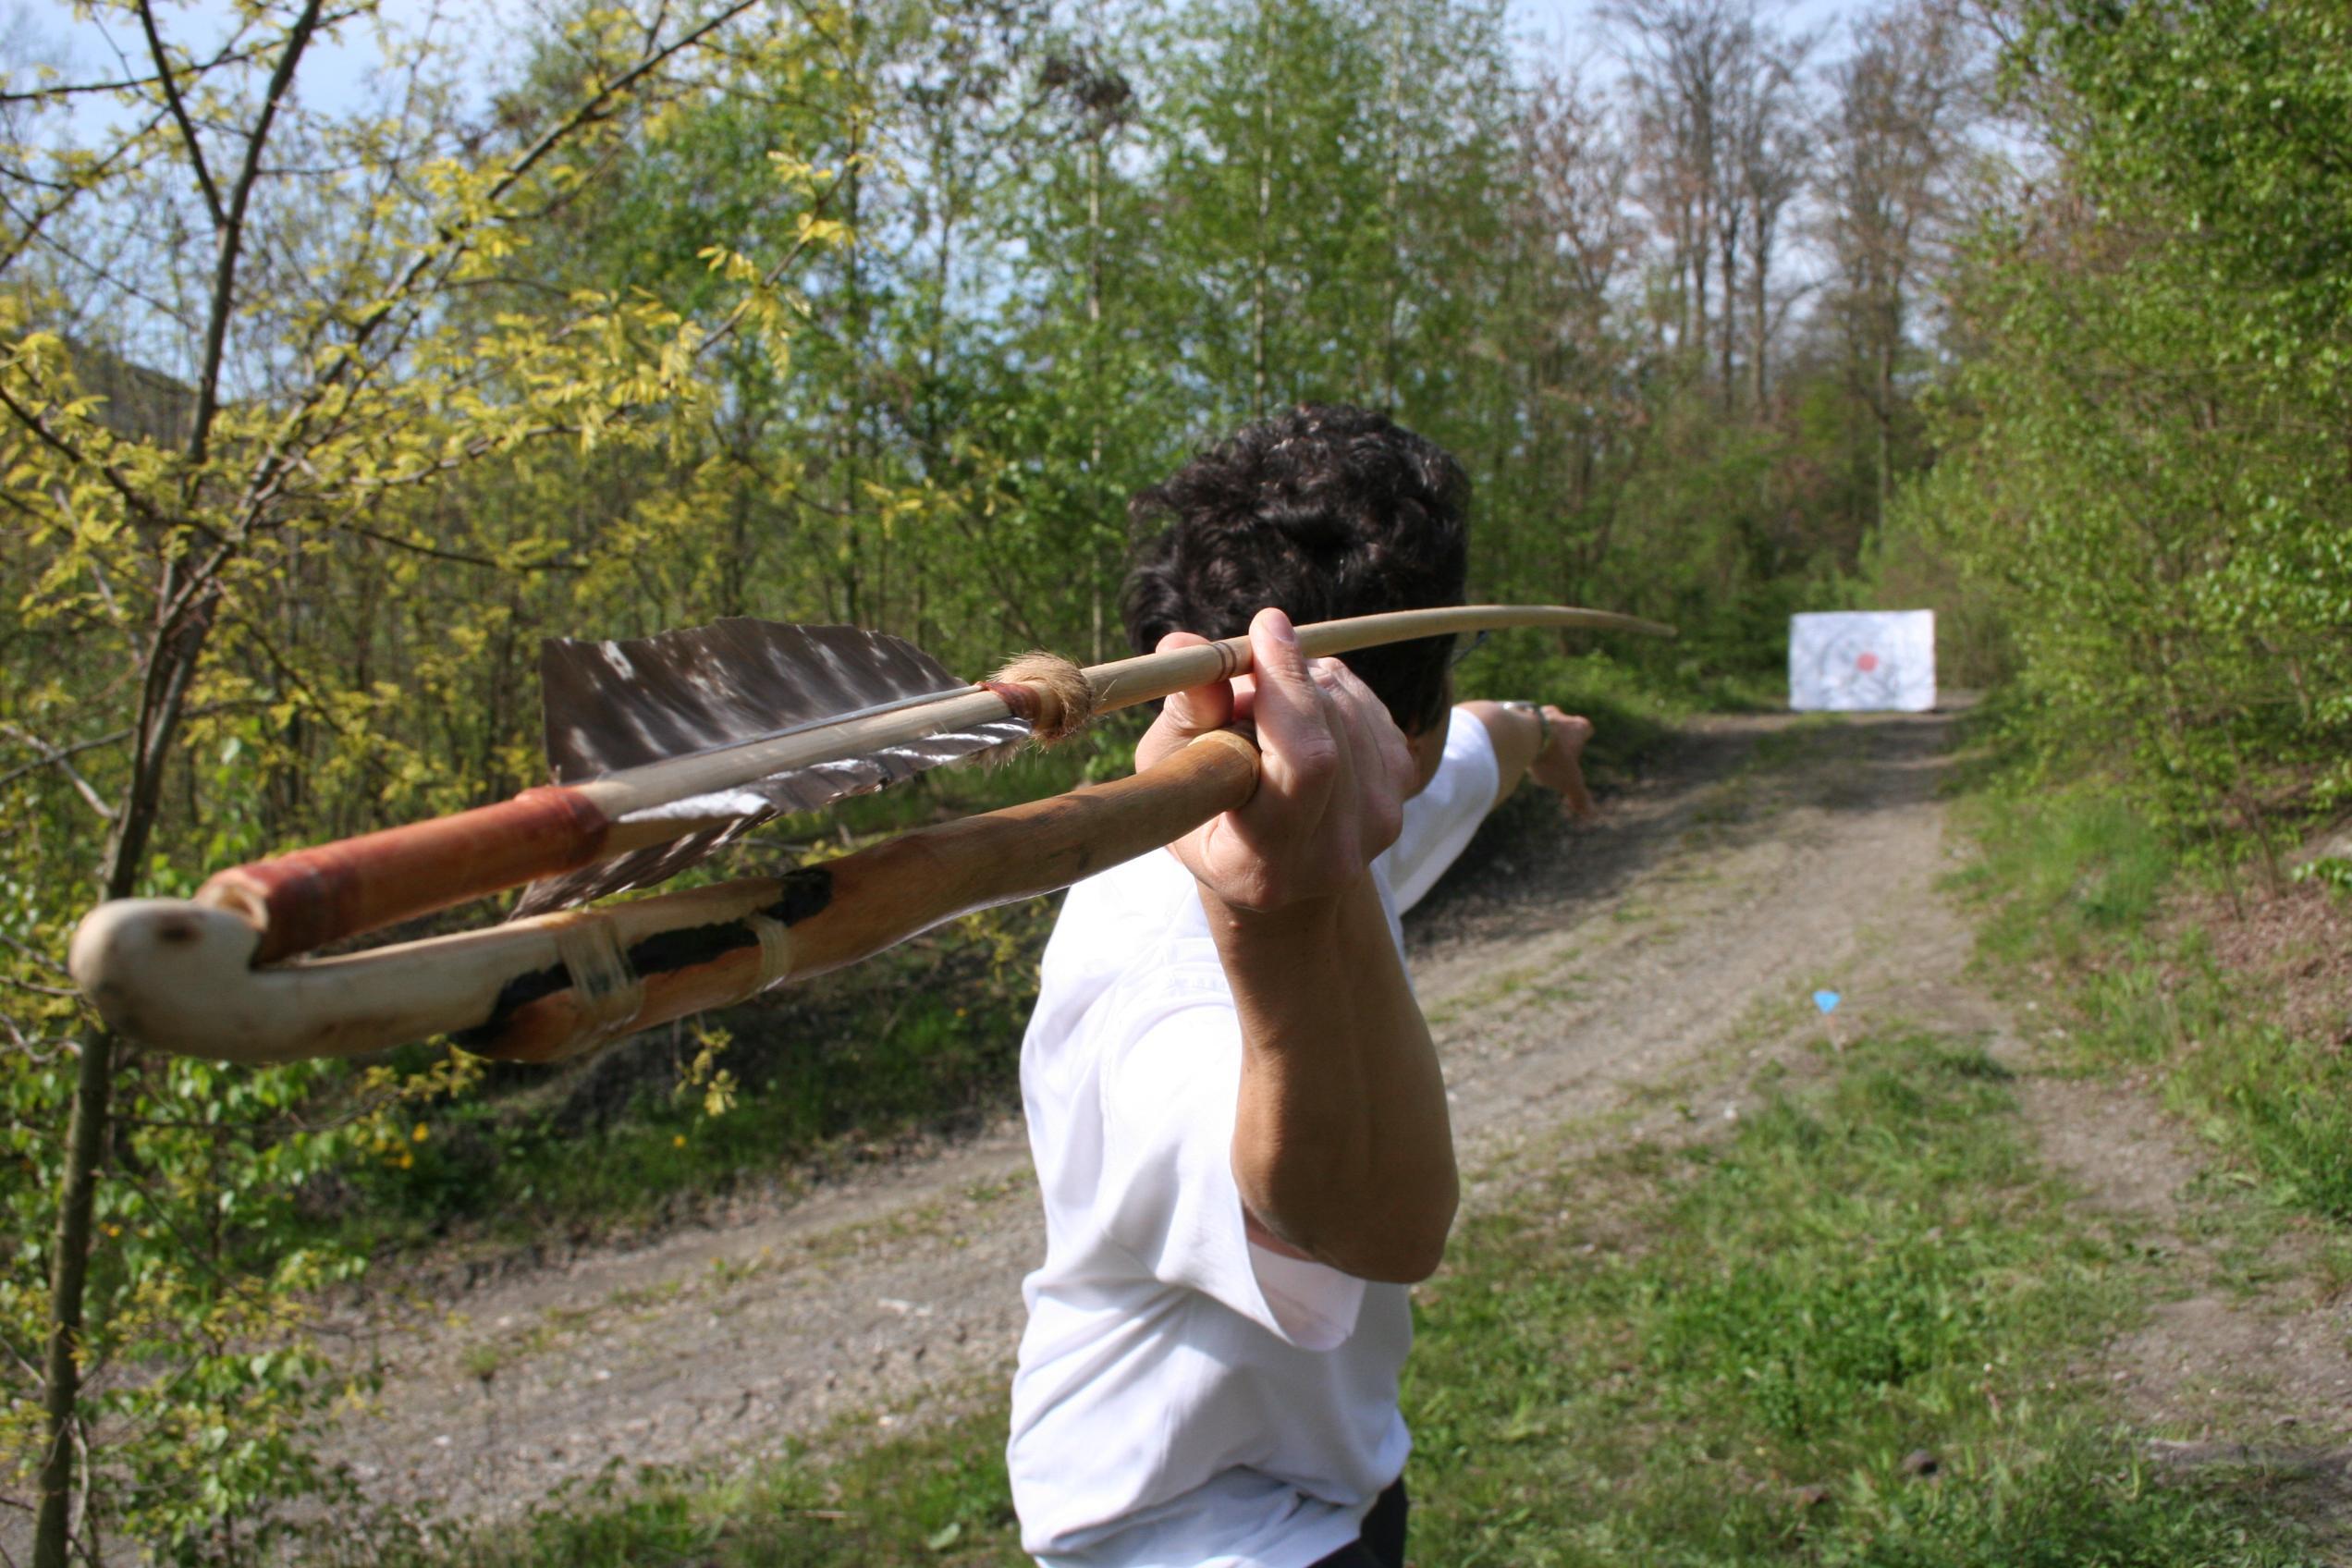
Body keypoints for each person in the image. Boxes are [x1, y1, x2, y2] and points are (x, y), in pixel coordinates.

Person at [1007, 404, 1599, 1568]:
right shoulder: (1165, 973)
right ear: (1404, 722)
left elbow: (1479, 744)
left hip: (1328, 1490)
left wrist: (1546, 730)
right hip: (1187, 1534)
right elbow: (1377, 1222)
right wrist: (1272, 911)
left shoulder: (1363, 806)